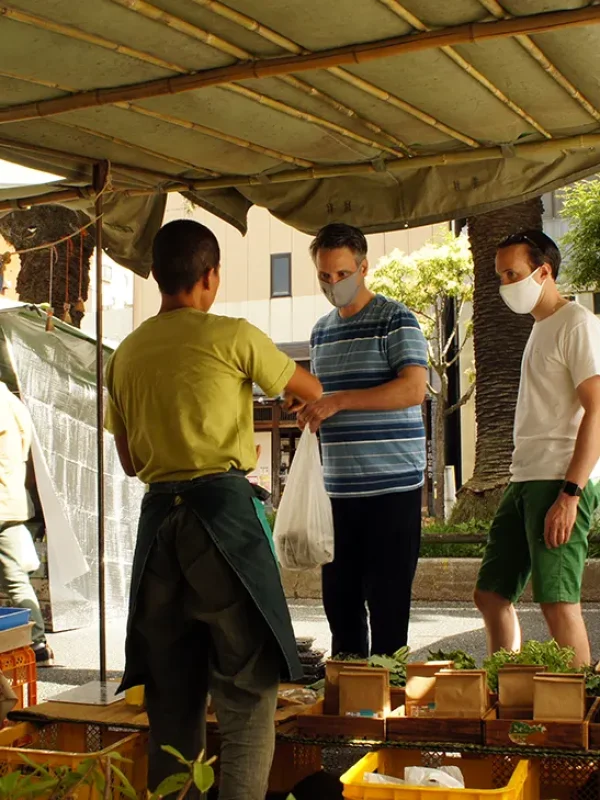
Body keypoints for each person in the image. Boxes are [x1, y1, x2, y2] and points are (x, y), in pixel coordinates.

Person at [104, 219, 322, 800]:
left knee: (172, 700)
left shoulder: (124, 354)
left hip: (159, 529)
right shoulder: (234, 335)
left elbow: (128, 462)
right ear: (211, 277)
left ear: (156, 277)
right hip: (221, 518)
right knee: (247, 693)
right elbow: (310, 388)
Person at [293, 222, 428, 658]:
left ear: (364, 267)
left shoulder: (396, 318)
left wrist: (338, 402)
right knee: (340, 605)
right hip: (338, 491)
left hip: (392, 488)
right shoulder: (320, 332)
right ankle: (350, 705)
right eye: (325, 276)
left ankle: (389, 707)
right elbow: (324, 399)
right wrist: (311, 412)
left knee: (389, 607)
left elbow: (413, 389)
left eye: (343, 274)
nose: (334, 284)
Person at [474, 229, 600, 668]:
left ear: (544, 271)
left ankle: (579, 712)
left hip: (559, 480)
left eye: (514, 273)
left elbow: (597, 411)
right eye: (500, 276)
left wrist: (571, 494)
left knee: (558, 600)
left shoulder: (578, 323)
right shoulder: (541, 328)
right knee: (491, 594)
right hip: (525, 476)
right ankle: (499, 685)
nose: (505, 285)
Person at [0, 381, 53, 666]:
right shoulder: (13, 403)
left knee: (14, 579)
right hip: (10, 500)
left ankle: (34, 643)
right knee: (16, 579)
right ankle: (37, 645)